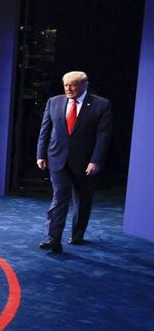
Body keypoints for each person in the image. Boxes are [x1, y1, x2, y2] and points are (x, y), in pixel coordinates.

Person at [36, 71, 112, 254]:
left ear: (84, 85)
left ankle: (77, 234)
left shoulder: (101, 105)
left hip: (86, 163)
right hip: (57, 158)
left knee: (82, 200)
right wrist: (40, 154)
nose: (68, 89)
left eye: (73, 85)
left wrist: (95, 161)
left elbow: (103, 136)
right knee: (60, 196)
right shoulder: (53, 102)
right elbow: (45, 130)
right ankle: (54, 238)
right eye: (65, 85)